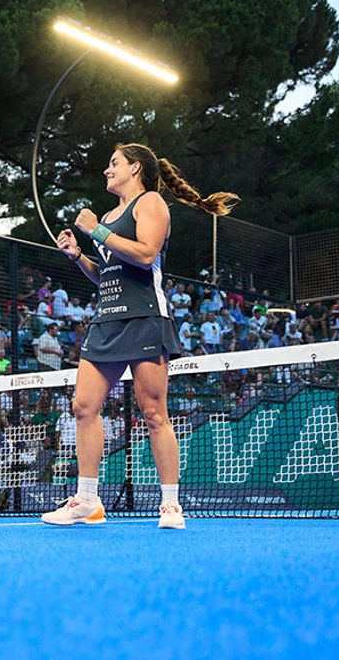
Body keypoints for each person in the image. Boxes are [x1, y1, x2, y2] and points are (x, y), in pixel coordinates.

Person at [44, 142, 236, 529]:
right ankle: (87, 501)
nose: (106, 170)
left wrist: (95, 229)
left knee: (153, 412)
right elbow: (107, 273)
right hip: (106, 320)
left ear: (134, 168)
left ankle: (170, 505)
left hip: (145, 316)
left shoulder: (150, 203)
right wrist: (78, 255)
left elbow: (146, 255)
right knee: (83, 406)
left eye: (113, 163)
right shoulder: (110, 214)